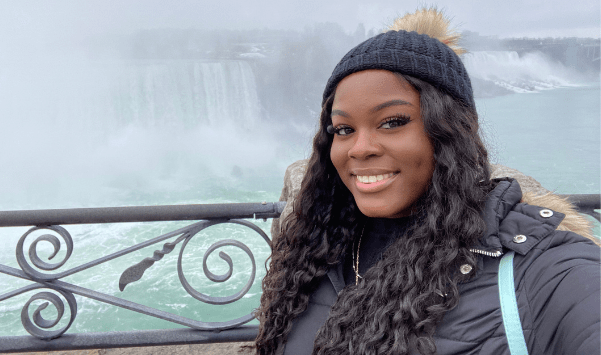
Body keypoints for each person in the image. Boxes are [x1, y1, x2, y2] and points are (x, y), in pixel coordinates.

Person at [251, 7, 600, 355]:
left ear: (451, 130)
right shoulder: (316, 256)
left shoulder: (537, 270)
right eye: (343, 129)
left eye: (392, 122)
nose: (359, 149)